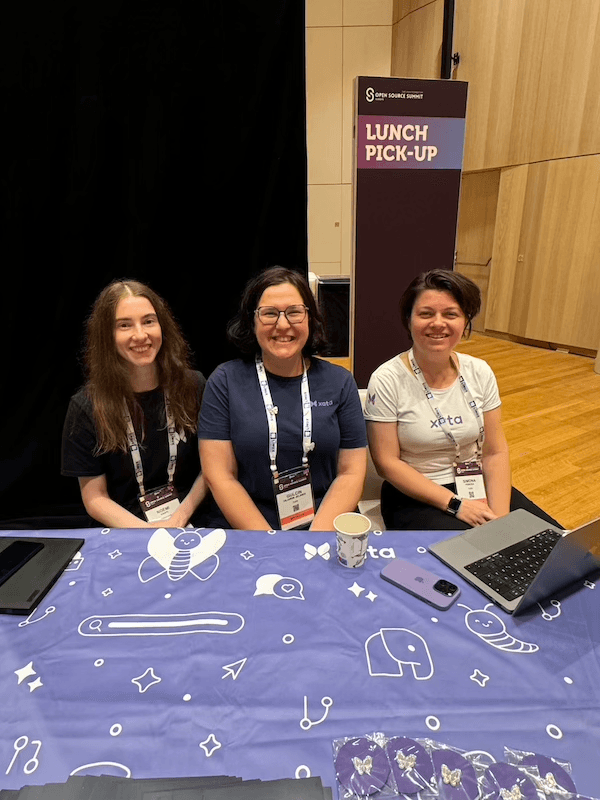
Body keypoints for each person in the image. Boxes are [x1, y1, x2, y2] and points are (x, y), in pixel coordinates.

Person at [364, 269, 560, 531]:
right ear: (408, 319)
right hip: (415, 495)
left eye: (451, 314)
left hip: (475, 483)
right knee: (474, 552)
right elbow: (387, 464)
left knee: (555, 542)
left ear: (465, 321)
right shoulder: (387, 379)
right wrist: (457, 505)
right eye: (426, 314)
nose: (438, 323)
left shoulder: (479, 371)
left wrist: (500, 519)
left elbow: (495, 452)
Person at [198, 267, 367, 531]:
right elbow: (220, 477)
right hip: (247, 525)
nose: (283, 324)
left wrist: (314, 538)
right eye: (269, 313)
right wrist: (272, 542)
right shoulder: (225, 381)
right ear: (252, 320)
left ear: (310, 318)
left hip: (325, 521)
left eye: (294, 312)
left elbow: (351, 473)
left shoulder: (340, 382)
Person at [62, 279, 208, 528]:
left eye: (149, 321)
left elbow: (212, 468)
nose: (140, 335)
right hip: (125, 528)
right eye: (124, 325)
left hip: (192, 518)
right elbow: (95, 497)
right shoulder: (86, 406)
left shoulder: (194, 385)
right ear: (107, 335)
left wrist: (179, 519)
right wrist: (146, 531)